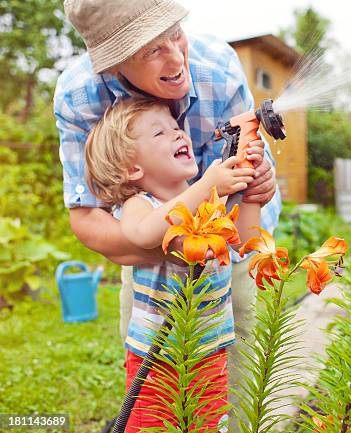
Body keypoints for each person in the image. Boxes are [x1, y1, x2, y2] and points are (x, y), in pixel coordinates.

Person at [54, 0, 279, 407]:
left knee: (236, 404)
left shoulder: (218, 71)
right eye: (150, 50)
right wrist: (177, 238)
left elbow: (244, 238)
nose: (177, 58)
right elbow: (97, 218)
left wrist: (256, 192)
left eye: (175, 34)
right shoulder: (80, 96)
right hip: (152, 302)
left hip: (218, 315)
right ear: (114, 63)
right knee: (153, 409)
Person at [84, 97, 261, 432]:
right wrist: (209, 185)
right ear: (134, 169)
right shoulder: (141, 204)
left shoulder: (209, 200)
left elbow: (245, 238)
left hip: (209, 353)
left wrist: (248, 190)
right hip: (157, 359)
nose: (179, 134)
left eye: (177, 127)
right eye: (160, 133)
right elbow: (142, 233)